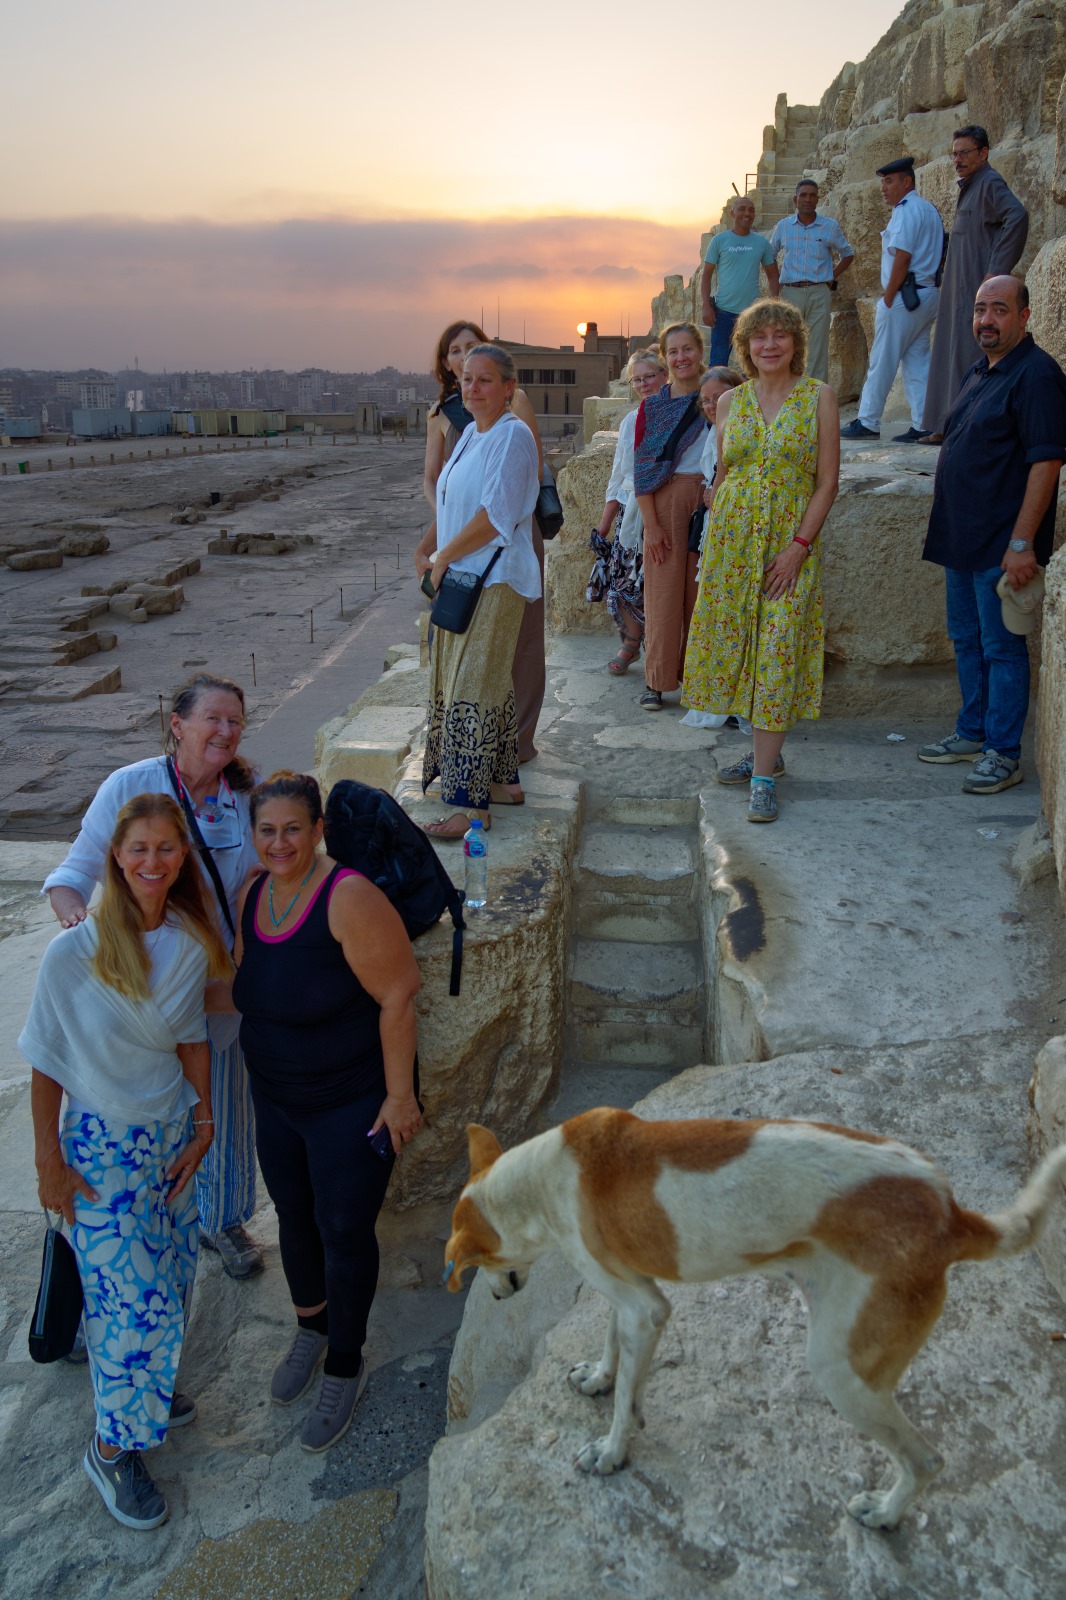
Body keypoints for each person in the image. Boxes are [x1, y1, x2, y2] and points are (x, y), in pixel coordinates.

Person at [23, 794, 231, 1529]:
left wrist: (205, 1123)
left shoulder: (181, 938)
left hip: (169, 1141)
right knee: (130, 1308)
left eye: (166, 850)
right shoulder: (73, 952)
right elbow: (45, 1064)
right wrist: (48, 1163)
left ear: (181, 858)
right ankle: (111, 1452)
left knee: (170, 1282)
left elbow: (192, 1040)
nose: (152, 862)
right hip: (101, 1153)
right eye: (138, 849)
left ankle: (143, 1388)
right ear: (116, 853)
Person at [41, 673, 264, 1279]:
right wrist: (76, 924)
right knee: (139, 1110)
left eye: (235, 722)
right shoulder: (130, 786)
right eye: (212, 719)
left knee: (221, 1101)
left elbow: (267, 872)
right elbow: (74, 873)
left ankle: (224, 1220)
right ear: (177, 724)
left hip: (213, 983)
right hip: (137, 983)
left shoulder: (247, 797)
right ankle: (136, 1226)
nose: (224, 731)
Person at [230, 771, 422, 1452]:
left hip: (348, 1104)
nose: (280, 843)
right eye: (267, 831)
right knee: (294, 1219)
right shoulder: (254, 892)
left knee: (344, 1231)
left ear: (319, 831)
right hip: (276, 1099)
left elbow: (400, 994)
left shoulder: (349, 898)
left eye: (293, 829)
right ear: (253, 836)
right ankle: (310, 1327)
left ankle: (346, 1360)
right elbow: (247, 984)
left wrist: (400, 1098)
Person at [682, 299, 840, 822]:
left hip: (786, 546)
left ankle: (765, 777)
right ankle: (764, 753)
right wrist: (714, 543)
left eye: (780, 335)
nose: (769, 345)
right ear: (746, 346)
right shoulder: (729, 403)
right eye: (759, 337)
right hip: (732, 547)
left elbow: (826, 483)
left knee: (777, 647)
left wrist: (799, 547)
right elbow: (726, 473)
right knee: (739, 648)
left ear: (796, 342)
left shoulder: (819, 398)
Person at [918, 276, 1066, 793]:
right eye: (980, 309)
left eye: (999, 309)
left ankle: (1003, 753)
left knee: (1002, 649)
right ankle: (973, 731)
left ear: (1025, 316)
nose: (986, 319)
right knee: (966, 640)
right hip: (961, 538)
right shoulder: (981, 371)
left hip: (1003, 545)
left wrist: (1023, 543)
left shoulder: (1038, 375)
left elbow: (1047, 462)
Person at [413, 344, 540, 836]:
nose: (472, 388)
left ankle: (471, 807)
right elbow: (451, 503)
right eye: (467, 379)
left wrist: (443, 558)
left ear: (508, 388)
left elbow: (495, 517)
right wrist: (427, 548)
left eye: (485, 380)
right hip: (464, 577)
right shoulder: (469, 435)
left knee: (472, 687)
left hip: (495, 579)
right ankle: (505, 779)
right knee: (482, 680)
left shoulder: (511, 438)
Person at [920, 126, 1029, 443]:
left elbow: (1017, 216)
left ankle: (963, 427)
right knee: (950, 351)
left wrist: (996, 270)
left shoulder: (990, 182)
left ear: (983, 153)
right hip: (958, 286)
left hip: (976, 288)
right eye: (954, 153)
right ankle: (945, 425)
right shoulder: (972, 185)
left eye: (965, 152)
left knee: (969, 354)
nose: (958, 159)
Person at [841, 157, 945, 444]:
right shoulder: (928, 209)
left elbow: (902, 256)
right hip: (926, 293)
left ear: (906, 181)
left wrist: (888, 297)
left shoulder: (907, 210)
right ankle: (925, 422)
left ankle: (867, 420)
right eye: (882, 182)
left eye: (889, 181)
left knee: (881, 360)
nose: (883, 188)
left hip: (904, 296)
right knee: (917, 361)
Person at [633, 322, 709, 711]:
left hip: (711, 502)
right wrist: (652, 525)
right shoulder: (653, 407)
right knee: (662, 595)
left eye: (688, 349)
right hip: (665, 501)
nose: (681, 358)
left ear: (700, 351)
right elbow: (643, 470)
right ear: (666, 359)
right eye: (674, 352)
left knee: (702, 596)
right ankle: (657, 681)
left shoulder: (720, 397)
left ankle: (697, 682)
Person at [589, 347, 668, 674]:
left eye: (650, 376)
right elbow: (619, 474)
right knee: (624, 582)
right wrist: (604, 525)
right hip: (632, 514)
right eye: (637, 379)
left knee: (659, 584)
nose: (644, 384)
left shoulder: (683, 413)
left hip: (666, 508)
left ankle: (660, 651)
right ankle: (631, 644)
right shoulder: (632, 419)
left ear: (664, 375)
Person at [769, 180, 854, 383]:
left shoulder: (829, 227)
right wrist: (776, 286)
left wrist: (831, 276)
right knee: (787, 345)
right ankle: (787, 396)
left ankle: (816, 402)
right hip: (790, 293)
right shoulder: (783, 227)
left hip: (818, 292)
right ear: (795, 199)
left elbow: (848, 253)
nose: (807, 199)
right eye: (803, 195)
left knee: (817, 348)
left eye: (812, 195)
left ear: (817, 198)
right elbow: (769, 255)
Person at [700, 197, 780, 368]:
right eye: (742, 209)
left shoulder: (761, 243)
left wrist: (773, 302)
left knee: (754, 364)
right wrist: (706, 305)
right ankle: (716, 395)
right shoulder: (719, 241)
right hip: (723, 313)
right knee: (717, 365)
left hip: (752, 314)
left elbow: (773, 275)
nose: (747, 213)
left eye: (751, 210)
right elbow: (706, 275)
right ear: (732, 213)